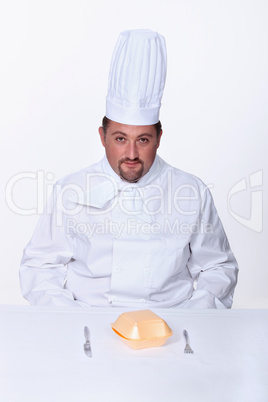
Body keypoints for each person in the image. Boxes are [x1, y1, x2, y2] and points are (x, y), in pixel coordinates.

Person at [20, 29, 238, 308]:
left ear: (159, 138)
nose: (131, 154)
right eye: (120, 139)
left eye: (143, 140)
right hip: (88, 324)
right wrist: (71, 316)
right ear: (103, 137)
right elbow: (39, 267)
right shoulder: (70, 190)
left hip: (169, 327)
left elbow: (219, 268)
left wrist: (191, 317)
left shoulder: (191, 192)